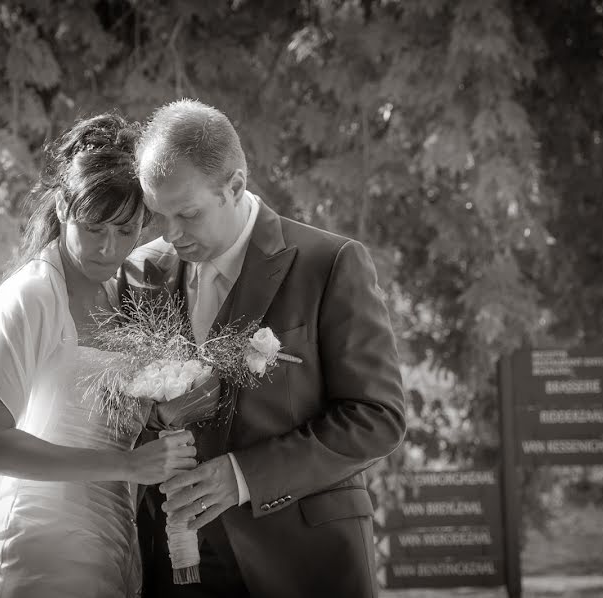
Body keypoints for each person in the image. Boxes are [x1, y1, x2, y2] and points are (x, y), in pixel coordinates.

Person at [124, 99, 406, 598]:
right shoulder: (143, 272)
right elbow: (123, 413)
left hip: (303, 562)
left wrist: (243, 477)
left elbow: (376, 416)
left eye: (187, 214)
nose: (172, 235)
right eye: (158, 215)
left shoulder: (330, 264)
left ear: (235, 185)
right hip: (173, 563)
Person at [0, 113, 197, 598]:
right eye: (94, 227)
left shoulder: (124, 293)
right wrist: (128, 467)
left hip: (110, 549)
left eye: (127, 231)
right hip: (31, 552)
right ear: (63, 206)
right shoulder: (32, 296)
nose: (109, 247)